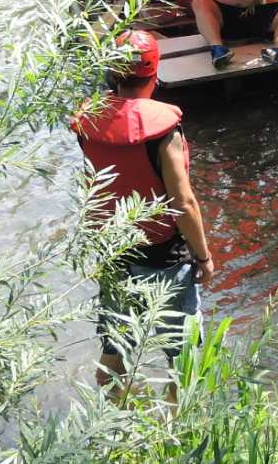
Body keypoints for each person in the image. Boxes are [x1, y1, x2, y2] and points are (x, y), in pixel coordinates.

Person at [71, 30, 216, 392]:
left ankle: (113, 423)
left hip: (113, 250)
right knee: (181, 360)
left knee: (115, 346)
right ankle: (174, 436)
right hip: (164, 254)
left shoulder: (88, 123)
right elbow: (183, 202)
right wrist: (203, 256)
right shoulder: (163, 130)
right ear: (154, 74)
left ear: (112, 73)